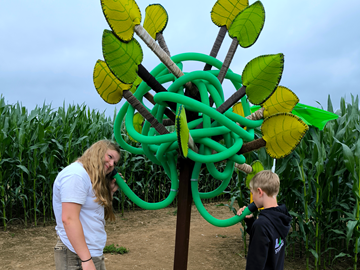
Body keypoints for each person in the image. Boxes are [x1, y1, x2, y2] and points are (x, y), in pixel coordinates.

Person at [53, 139, 121, 270]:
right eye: (110, 157)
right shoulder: (76, 175)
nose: (112, 164)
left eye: (115, 162)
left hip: (90, 253)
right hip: (76, 256)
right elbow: (69, 219)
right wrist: (86, 260)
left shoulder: (89, 178)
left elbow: (95, 215)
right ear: (98, 152)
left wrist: (110, 192)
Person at [237, 170, 292, 270]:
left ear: (259, 192)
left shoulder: (261, 225)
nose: (253, 197)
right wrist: (250, 221)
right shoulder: (281, 216)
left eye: (252, 193)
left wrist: (256, 224)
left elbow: (255, 265)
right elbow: (270, 237)